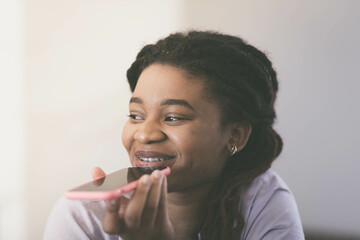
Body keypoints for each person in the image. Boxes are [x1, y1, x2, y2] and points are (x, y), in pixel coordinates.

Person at [44, 31, 305, 240]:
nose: (145, 134)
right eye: (136, 115)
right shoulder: (81, 216)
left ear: (234, 135)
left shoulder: (263, 202)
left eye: (173, 117)